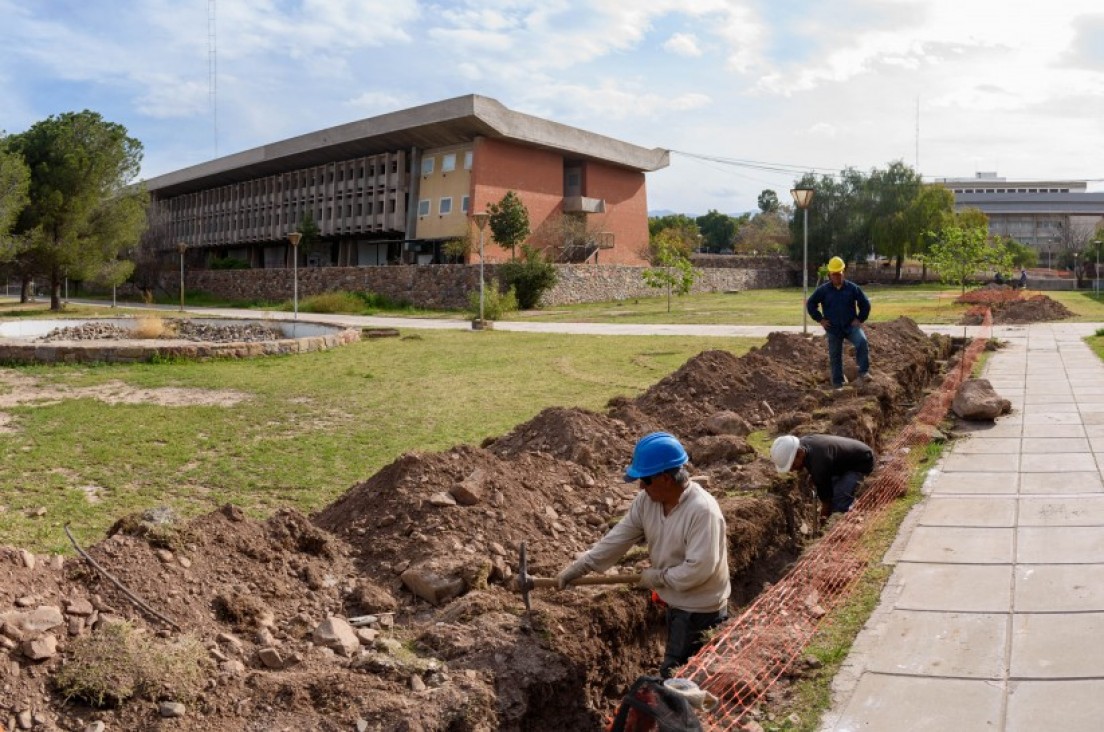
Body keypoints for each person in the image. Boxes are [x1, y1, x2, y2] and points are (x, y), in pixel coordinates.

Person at [557, 432, 730, 679]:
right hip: (677, 601)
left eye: (645, 480)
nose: (640, 486)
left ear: (665, 478)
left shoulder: (702, 512)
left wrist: (657, 577)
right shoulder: (647, 502)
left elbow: (699, 569)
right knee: (686, 675)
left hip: (700, 610)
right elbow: (619, 537)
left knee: (678, 678)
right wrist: (582, 566)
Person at [770, 434, 875, 519]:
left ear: (800, 453)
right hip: (844, 461)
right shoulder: (804, 444)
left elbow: (826, 501)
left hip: (861, 462)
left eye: (792, 465)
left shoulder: (819, 463)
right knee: (832, 488)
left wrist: (824, 517)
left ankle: (839, 525)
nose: (792, 470)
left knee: (838, 497)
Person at [806, 256, 872, 390]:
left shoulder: (852, 288)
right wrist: (820, 319)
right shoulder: (823, 290)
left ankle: (863, 373)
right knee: (835, 356)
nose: (837, 277)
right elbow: (811, 303)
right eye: (834, 274)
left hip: (850, 326)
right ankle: (837, 384)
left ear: (843, 272)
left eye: (839, 274)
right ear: (829, 274)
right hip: (833, 328)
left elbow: (865, 304)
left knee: (862, 341)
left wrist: (860, 319)